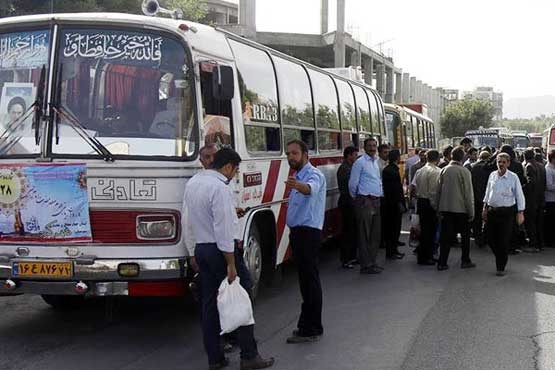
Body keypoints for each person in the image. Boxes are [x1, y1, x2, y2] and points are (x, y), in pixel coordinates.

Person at [184, 148, 274, 370]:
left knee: (209, 305)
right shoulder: (220, 188)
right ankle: (249, 355)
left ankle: (215, 358)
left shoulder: (194, 183)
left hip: (202, 249)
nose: (234, 175)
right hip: (221, 251)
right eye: (235, 170)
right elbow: (223, 229)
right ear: (227, 167)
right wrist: (231, 262)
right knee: (242, 299)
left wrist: (193, 250)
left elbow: (188, 221)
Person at [285, 139, 326, 344]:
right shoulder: (297, 175)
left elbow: (311, 189)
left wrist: (298, 186)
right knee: (305, 281)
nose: (291, 157)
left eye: (294, 153)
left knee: (310, 281)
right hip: (299, 234)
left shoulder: (312, 174)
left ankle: (311, 329)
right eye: (288, 154)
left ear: (305, 155)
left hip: (307, 234)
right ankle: (306, 324)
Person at [483, 152, 525, 276]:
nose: (500, 164)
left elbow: (519, 195)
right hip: (492, 211)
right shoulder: (492, 175)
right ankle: (501, 255)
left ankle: (500, 266)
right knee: (489, 238)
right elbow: (487, 192)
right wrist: (484, 208)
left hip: (506, 213)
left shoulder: (513, 177)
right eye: (499, 162)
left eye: (503, 162)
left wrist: (520, 212)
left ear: (508, 163)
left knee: (503, 240)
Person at [436, 146, 476, 271]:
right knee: (465, 237)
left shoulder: (444, 170)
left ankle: (442, 262)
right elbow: (468, 194)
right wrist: (471, 212)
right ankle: (465, 260)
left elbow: (438, 191)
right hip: (461, 210)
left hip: (446, 209)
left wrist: (438, 208)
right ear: (462, 157)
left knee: (445, 238)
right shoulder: (464, 171)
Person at [349, 137, 384, 274]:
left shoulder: (375, 162)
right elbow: (352, 184)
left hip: (376, 201)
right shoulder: (360, 162)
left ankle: (372, 262)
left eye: (374, 145)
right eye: (369, 146)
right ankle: (366, 265)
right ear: (364, 147)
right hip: (365, 201)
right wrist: (360, 199)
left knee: (375, 235)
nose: (372, 148)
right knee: (365, 235)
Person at [412, 149, 441, 265]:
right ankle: (426, 257)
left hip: (421, 202)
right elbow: (433, 192)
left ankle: (424, 255)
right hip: (429, 203)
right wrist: (436, 207)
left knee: (423, 231)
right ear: (437, 159)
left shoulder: (420, 171)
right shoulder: (435, 171)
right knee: (430, 232)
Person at [337, 145, 359, 268]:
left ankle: (352, 256)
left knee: (353, 231)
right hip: (347, 202)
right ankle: (346, 259)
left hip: (351, 202)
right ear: (349, 155)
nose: (356, 157)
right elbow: (350, 186)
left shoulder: (350, 167)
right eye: (355, 155)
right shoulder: (345, 169)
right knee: (348, 232)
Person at [382, 149, 406, 260]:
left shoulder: (388, 169)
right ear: (397, 158)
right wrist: (400, 203)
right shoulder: (392, 171)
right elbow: (396, 190)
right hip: (393, 205)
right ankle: (392, 252)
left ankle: (392, 250)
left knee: (392, 229)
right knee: (394, 229)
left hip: (390, 203)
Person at [471, 151, 492, 247]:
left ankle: (477, 237)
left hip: (475, 196)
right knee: (487, 218)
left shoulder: (474, 167)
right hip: (486, 196)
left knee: (477, 219)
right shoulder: (489, 168)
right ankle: (485, 238)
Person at [522, 149, 541, 253]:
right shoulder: (537, 164)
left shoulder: (529, 166)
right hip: (536, 198)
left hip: (530, 199)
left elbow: (531, 183)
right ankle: (535, 243)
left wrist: (521, 188)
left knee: (529, 223)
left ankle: (532, 245)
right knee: (533, 222)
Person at [544, 150, 555, 248]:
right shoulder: (548, 169)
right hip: (550, 200)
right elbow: (549, 186)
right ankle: (549, 241)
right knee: (550, 222)